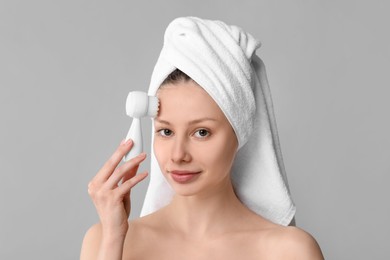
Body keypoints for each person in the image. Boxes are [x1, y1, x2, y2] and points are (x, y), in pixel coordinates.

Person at [80, 17, 324, 260]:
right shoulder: (105, 240)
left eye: (201, 132)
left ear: (240, 132)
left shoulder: (290, 251)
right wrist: (114, 238)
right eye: (166, 131)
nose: (178, 155)